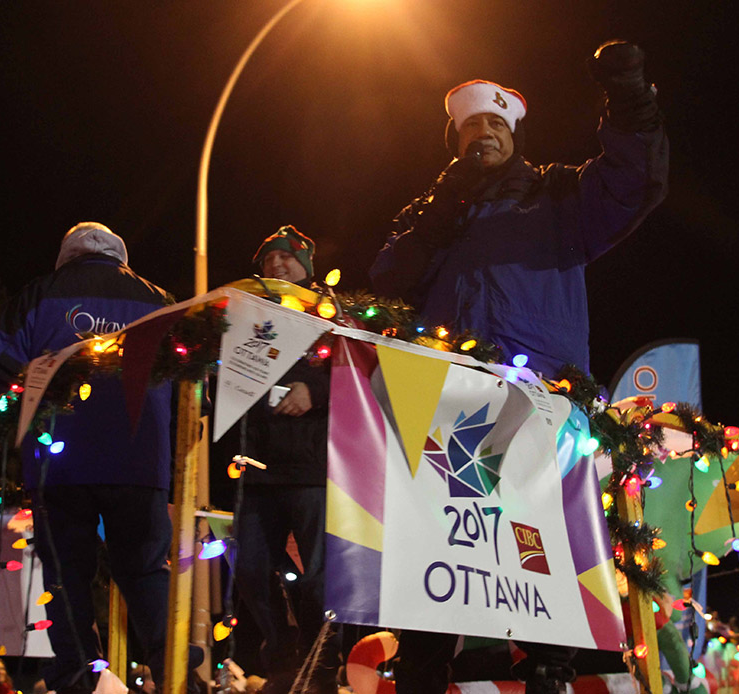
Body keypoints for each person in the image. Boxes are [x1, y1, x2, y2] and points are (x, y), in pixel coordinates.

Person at [370, 42, 669, 694]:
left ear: (515, 135)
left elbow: (631, 182)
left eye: (496, 124)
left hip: (541, 399)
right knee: (441, 548)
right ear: (454, 141)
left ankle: (549, 677)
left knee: (542, 551)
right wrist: (444, 208)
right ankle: (426, 676)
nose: (484, 133)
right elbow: (389, 278)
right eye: (472, 126)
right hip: (447, 402)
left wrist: (629, 95)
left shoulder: (558, 194)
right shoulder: (432, 212)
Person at [0, 222, 174, 694]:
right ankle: (176, 671)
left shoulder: (39, 295)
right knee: (144, 569)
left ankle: (79, 679)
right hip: (141, 460)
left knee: (65, 576)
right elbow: (191, 376)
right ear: (119, 256)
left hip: (58, 463)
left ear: (67, 256)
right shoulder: (160, 299)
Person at [233, 225, 338, 694]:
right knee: (251, 570)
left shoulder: (334, 315)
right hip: (257, 470)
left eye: (286, 259)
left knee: (317, 578)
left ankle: (320, 665)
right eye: (268, 260)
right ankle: (282, 653)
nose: (276, 266)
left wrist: (313, 391)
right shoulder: (243, 318)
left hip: (315, 470)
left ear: (306, 267)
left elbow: (362, 373)